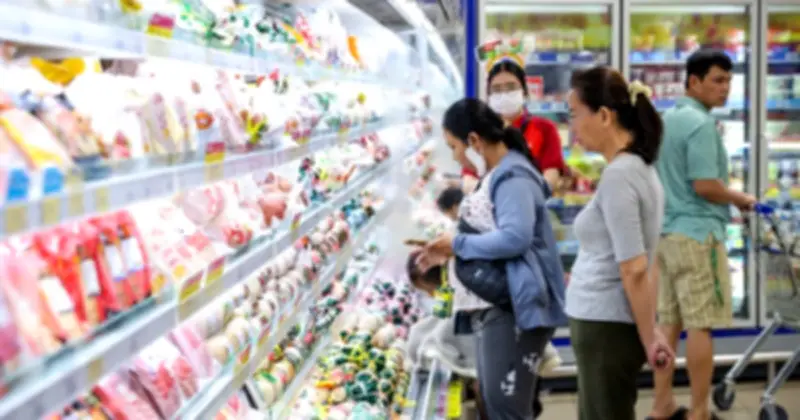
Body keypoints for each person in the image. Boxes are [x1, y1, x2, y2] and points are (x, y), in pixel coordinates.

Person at [418, 98, 567, 419]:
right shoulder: (496, 174)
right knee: (498, 406)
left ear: (474, 140)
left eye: (455, 147)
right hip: (497, 306)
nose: (456, 156)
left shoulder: (512, 177)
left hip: (511, 308)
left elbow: (515, 237)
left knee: (506, 411)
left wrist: (458, 244)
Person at [649, 50, 756, 420]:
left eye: (728, 81)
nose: (725, 88)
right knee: (700, 325)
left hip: (666, 236)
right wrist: (741, 198)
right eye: (717, 80)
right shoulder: (701, 125)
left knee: (668, 323)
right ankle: (698, 412)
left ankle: (662, 405)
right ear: (693, 82)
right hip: (697, 236)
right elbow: (705, 185)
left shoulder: (667, 120)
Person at [564, 66, 674, 420]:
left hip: (605, 326)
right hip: (610, 324)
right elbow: (646, 261)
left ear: (604, 116)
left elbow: (635, 268)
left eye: (574, 114)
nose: (572, 126)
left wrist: (649, 337)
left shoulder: (619, 175)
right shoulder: (638, 168)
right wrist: (650, 328)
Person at [483, 60, 568, 190]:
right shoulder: (481, 132)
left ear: (524, 91)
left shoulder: (545, 128)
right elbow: (469, 177)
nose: (504, 94)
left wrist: (531, 193)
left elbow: (552, 173)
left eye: (511, 87)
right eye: (497, 89)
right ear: (489, 95)